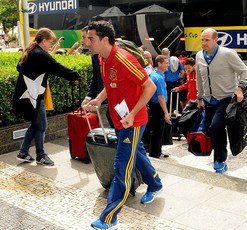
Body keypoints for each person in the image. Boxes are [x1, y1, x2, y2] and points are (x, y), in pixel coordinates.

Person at [86, 20, 163, 230]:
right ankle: (155, 184)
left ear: (104, 39)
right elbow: (111, 87)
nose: (87, 43)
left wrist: (132, 113)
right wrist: (99, 100)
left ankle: (109, 217)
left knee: (122, 166)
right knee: (136, 155)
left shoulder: (124, 59)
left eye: (91, 39)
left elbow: (150, 86)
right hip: (121, 119)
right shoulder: (103, 59)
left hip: (133, 122)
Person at [13, 27, 80, 166]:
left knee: (36, 124)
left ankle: (23, 152)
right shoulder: (40, 54)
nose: (51, 45)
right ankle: (41, 155)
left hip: (27, 96)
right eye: (51, 42)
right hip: (33, 97)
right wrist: (75, 75)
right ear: (44, 41)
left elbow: (19, 68)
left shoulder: (30, 51)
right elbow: (57, 67)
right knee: (41, 125)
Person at [196, 28, 247, 174]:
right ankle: (219, 159)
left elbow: (245, 72)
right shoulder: (199, 56)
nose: (203, 43)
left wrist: (240, 89)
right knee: (213, 130)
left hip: (225, 98)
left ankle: (220, 160)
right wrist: (200, 97)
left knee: (216, 127)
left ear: (215, 40)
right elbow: (200, 79)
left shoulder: (228, 54)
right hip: (208, 100)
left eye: (207, 40)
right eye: (202, 39)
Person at [148, 55, 171, 159]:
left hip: (154, 106)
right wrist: (166, 112)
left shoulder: (154, 75)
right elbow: (161, 97)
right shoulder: (158, 78)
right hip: (158, 106)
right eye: (166, 63)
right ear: (159, 63)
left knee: (156, 129)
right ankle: (156, 153)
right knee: (158, 130)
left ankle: (156, 151)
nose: (168, 65)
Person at [161, 47, 185, 112]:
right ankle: (176, 110)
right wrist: (180, 79)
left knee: (167, 97)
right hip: (176, 82)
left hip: (166, 83)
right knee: (175, 98)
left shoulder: (163, 62)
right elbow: (182, 72)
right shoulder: (176, 60)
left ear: (162, 53)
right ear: (169, 52)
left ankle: (168, 111)